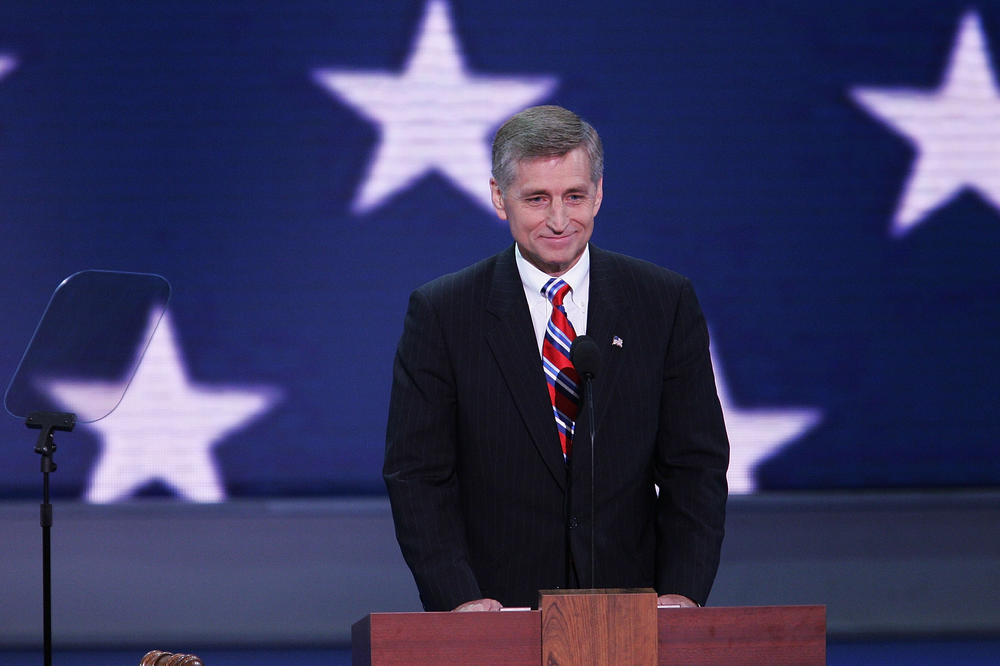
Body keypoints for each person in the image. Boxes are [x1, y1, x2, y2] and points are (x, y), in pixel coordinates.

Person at [384, 105, 729, 612]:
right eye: (537, 199)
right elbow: (417, 475)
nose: (559, 220)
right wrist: (459, 600)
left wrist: (682, 592)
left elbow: (695, 464)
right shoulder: (443, 312)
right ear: (500, 199)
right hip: (496, 613)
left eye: (575, 196)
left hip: (633, 610)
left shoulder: (662, 301)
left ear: (600, 193)